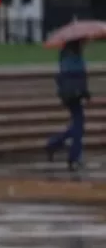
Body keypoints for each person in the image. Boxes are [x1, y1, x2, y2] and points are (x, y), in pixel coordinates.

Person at [47, 39, 90, 171]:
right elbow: (79, 79)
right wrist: (85, 93)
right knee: (79, 127)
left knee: (77, 126)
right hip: (75, 96)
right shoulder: (74, 59)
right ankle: (73, 157)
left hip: (69, 96)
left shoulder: (65, 57)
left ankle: (54, 144)